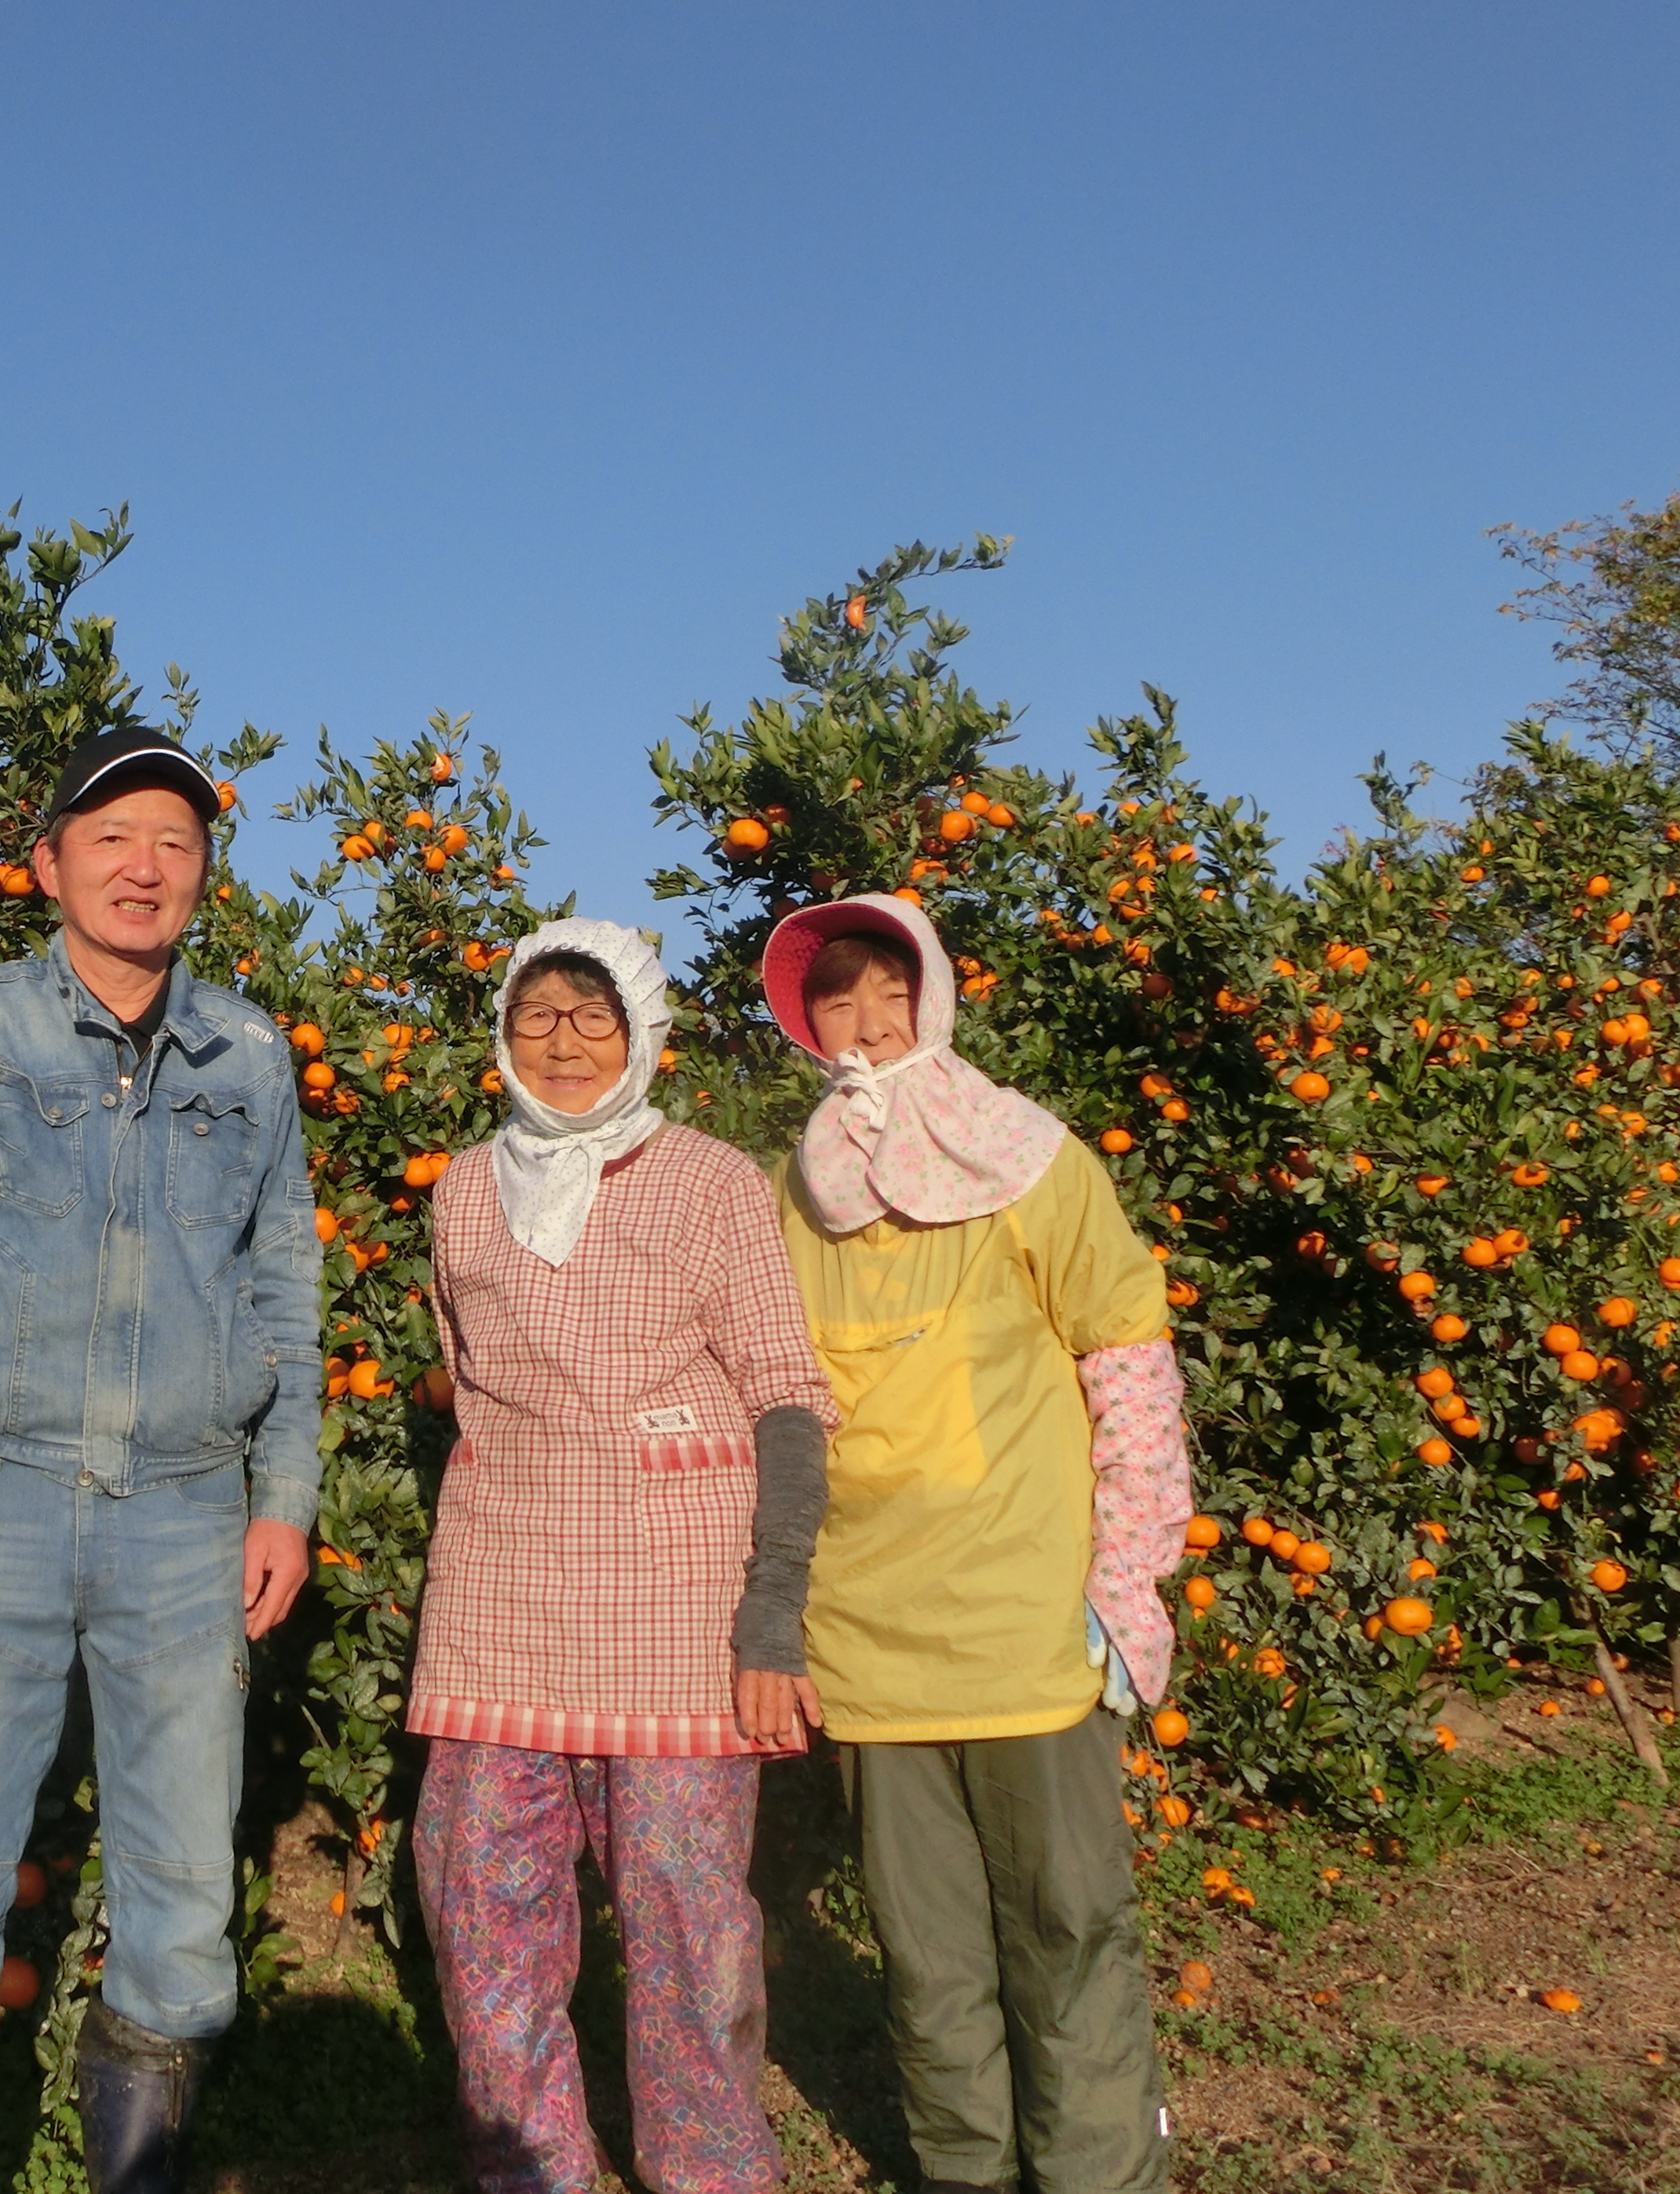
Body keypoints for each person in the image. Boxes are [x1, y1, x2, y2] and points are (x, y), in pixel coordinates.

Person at [0, 725, 323, 2194]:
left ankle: (137, 2173)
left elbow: (284, 1285)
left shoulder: (248, 1052)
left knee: (181, 1894)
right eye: (112, 837)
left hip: (187, 1511)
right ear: (47, 863)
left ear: (204, 879)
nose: (144, 865)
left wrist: (284, 1494)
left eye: (176, 841)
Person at [763, 893, 1193, 2194]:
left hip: (1025, 1630)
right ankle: (964, 2174)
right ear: (807, 1021)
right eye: (837, 996)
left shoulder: (1034, 1161)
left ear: (935, 994)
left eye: (889, 987)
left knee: (1068, 1930)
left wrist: (1129, 1577)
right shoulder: (806, 1185)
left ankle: (1099, 2176)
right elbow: (783, 1395)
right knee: (933, 1956)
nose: (869, 1019)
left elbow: (1128, 1361)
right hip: (872, 1642)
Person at [405, 918, 838, 2194]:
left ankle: (708, 2170)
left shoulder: (711, 1182)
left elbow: (787, 1398)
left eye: (594, 1016)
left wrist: (772, 1621)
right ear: (502, 1035)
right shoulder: (462, 1190)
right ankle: (531, 2162)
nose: (565, 1041)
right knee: (481, 1906)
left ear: (645, 1030)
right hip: (502, 1590)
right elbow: (469, 1380)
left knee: (689, 1927)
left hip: (679, 1603)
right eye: (538, 1015)